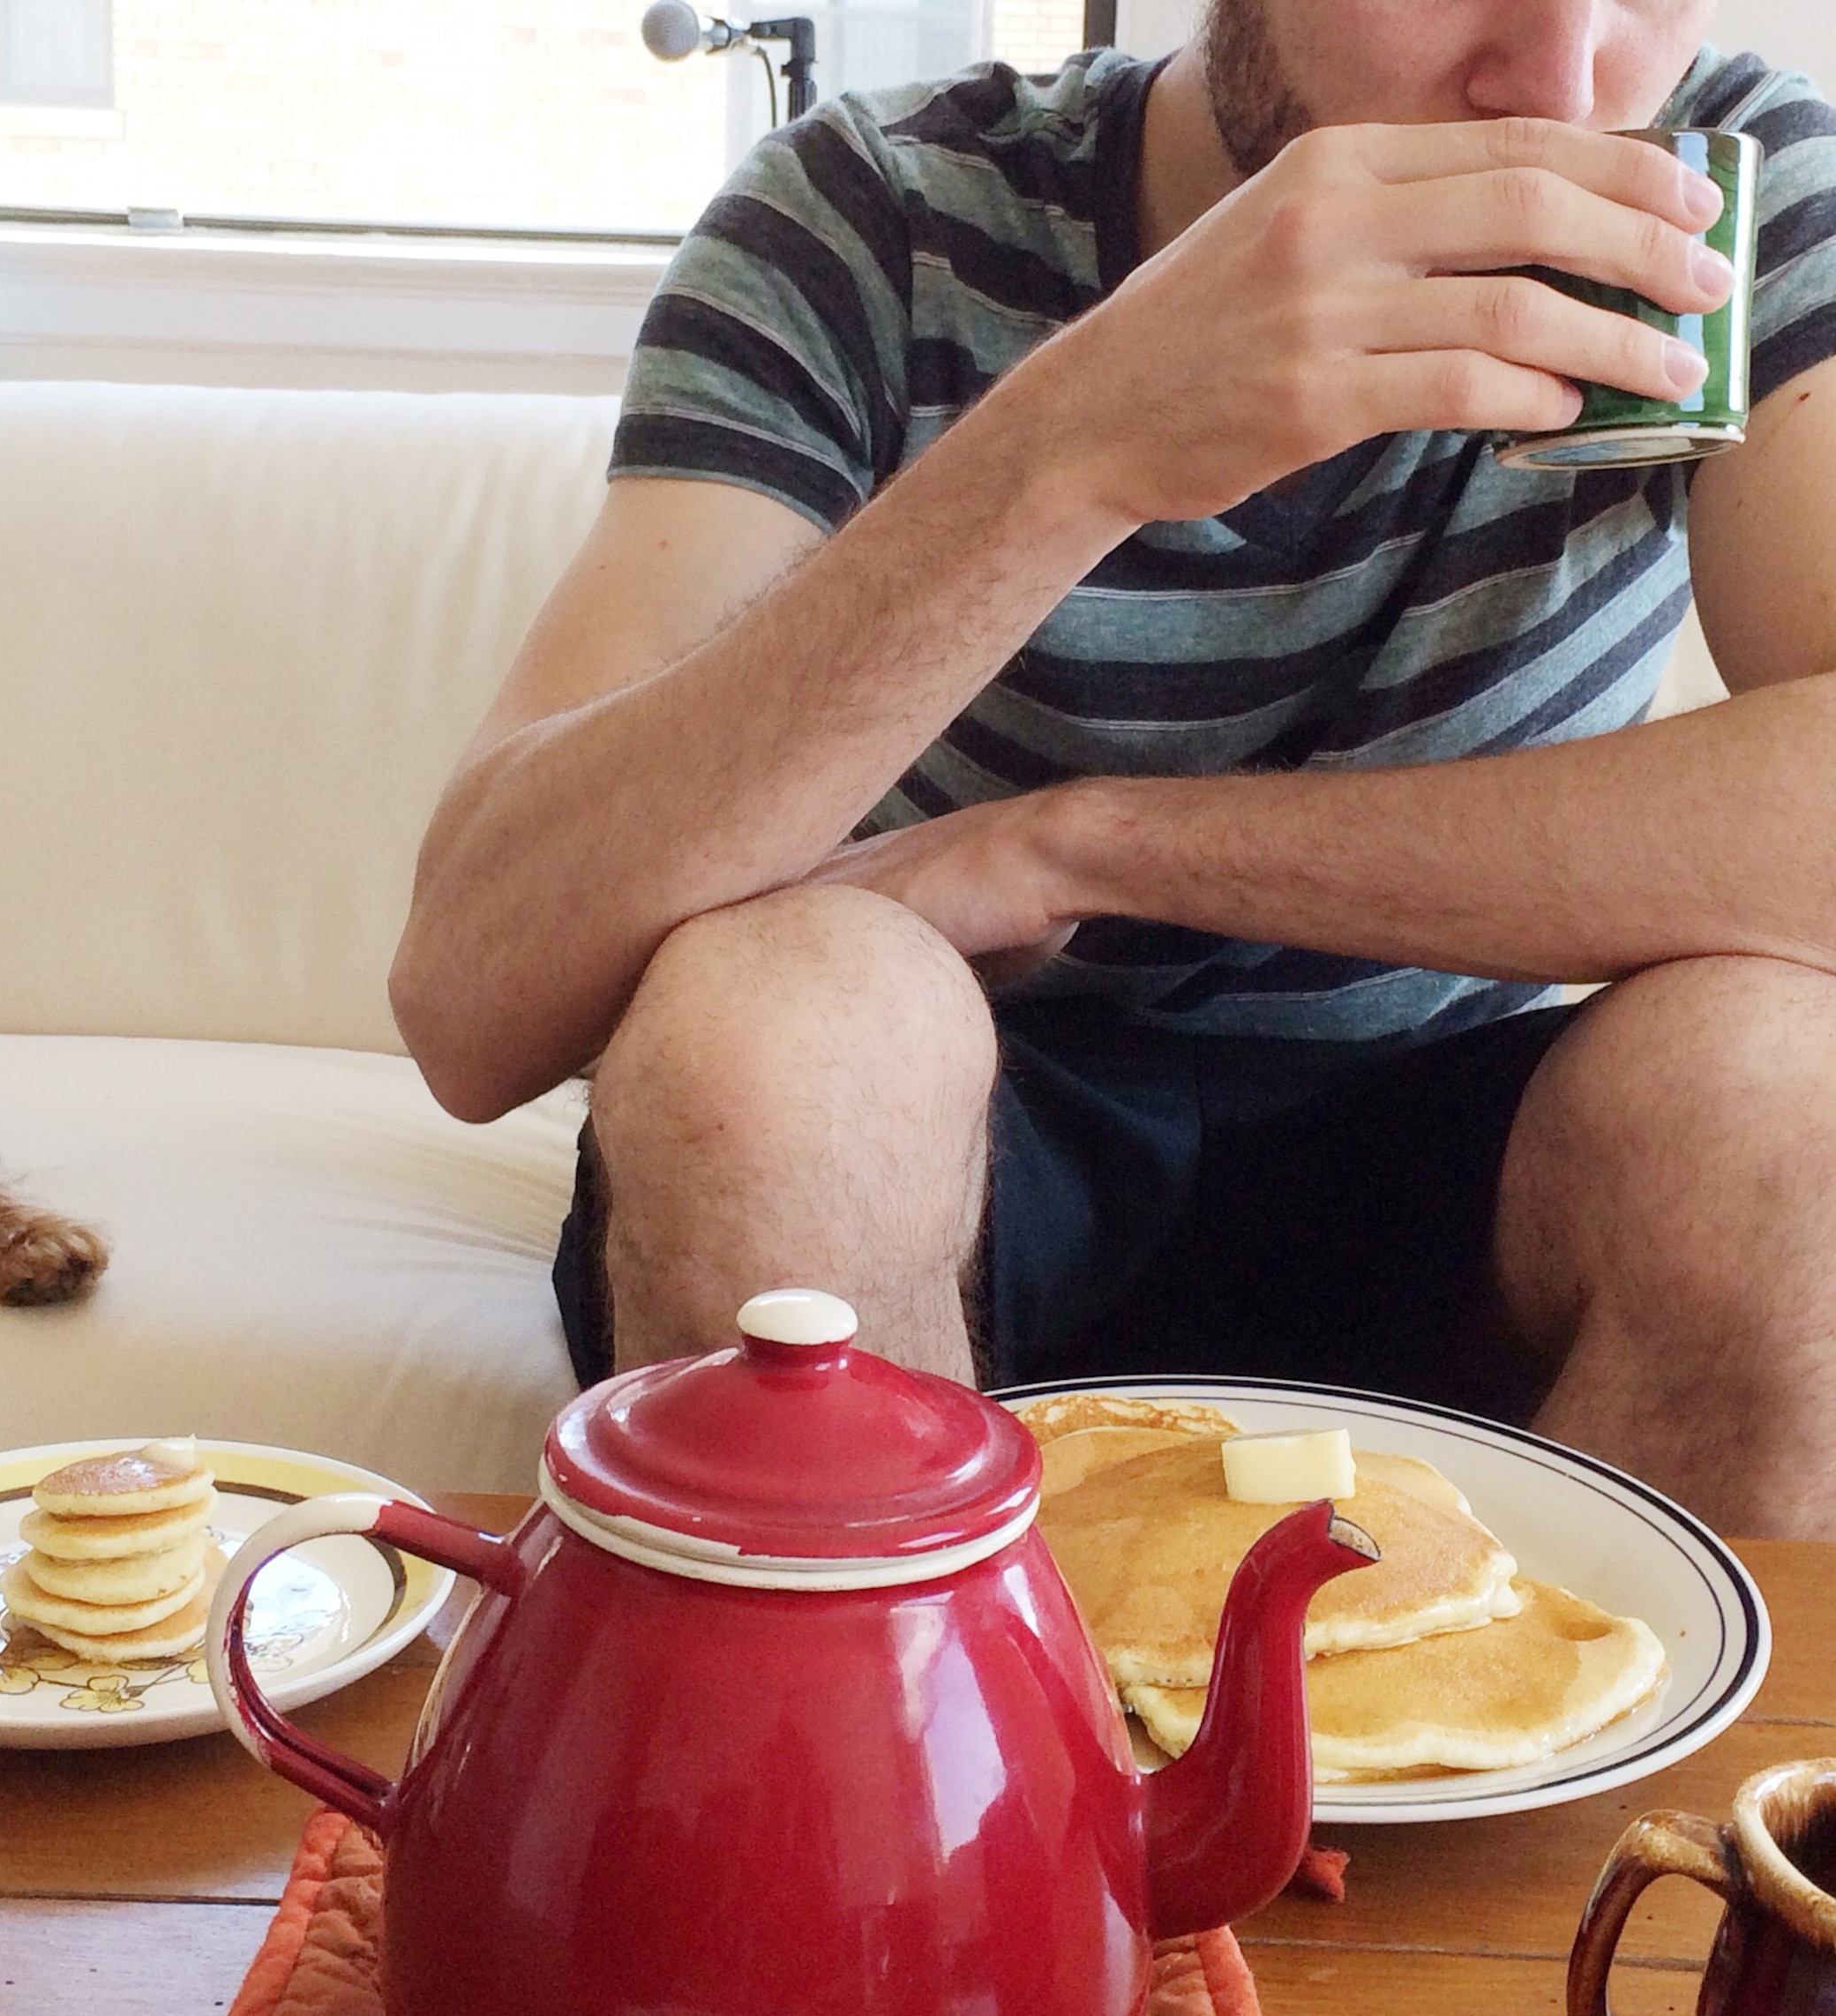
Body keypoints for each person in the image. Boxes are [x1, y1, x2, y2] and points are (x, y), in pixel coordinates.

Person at [387, 0, 1836, 1540]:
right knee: (768, 1032)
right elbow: (472, 997)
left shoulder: (1717, 198)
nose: (1556, 84)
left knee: (1793, 1108)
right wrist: (1079, 441)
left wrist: (1085, 842)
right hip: (944, 1136)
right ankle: (887, 1767)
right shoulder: (879, 216)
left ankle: (1603, 1785)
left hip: (1472, 1144)